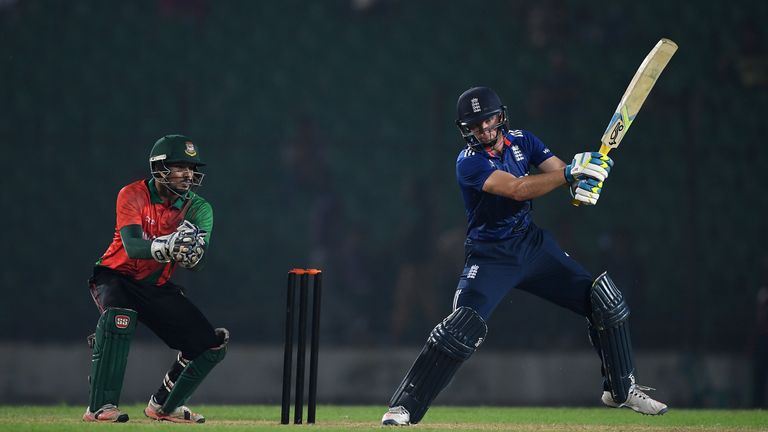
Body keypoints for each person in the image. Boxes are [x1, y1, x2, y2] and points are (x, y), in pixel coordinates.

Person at [381, 87, 667, 426]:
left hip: (532, 246)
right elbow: (519, 188)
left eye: (488, 121)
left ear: (500, 116)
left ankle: (621, 389)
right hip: (490, 256)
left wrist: (588, 175)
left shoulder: (524, 141)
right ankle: (405, 406)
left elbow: (562, 173)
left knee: (604, 301)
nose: (484, 130)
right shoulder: (468, 162)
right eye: (475, 125)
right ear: (466, 129)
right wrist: (569, 174)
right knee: (461, 327)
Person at [82, 135, 228, 423]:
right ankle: (99, 407)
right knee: (118, 319)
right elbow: (133, 245)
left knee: (209, 344)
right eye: (179, 167)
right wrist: (167, 245)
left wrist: (192, 254)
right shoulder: (132, 194)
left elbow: (197, 264)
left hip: (155, 286)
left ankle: (165, 406)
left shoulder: (200, 208)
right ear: (159, 167)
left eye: (191, 167)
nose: (188, 174)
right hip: (116, 276)